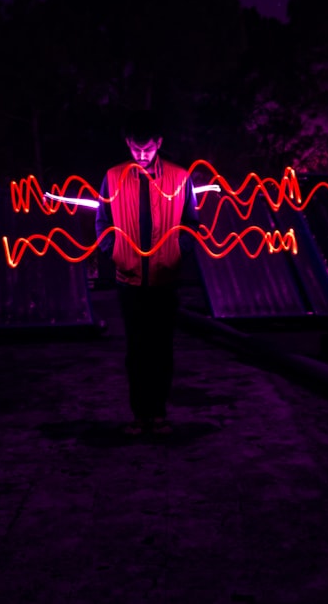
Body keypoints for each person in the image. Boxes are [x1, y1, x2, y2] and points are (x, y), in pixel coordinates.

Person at [94, 110, 199, 437]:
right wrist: (113, 251)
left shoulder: (180, 177)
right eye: (136, 149)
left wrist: (177, 252)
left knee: (162, 349)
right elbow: (102, 221)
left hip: (165, 280)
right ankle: (140, 415)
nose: (142, 155)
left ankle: (158, 415)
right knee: (136, 350)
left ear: (159, 143)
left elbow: (192, 224)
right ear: (127, 143)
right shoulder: (112, 177)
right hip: (129, 280)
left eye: (148, 149)